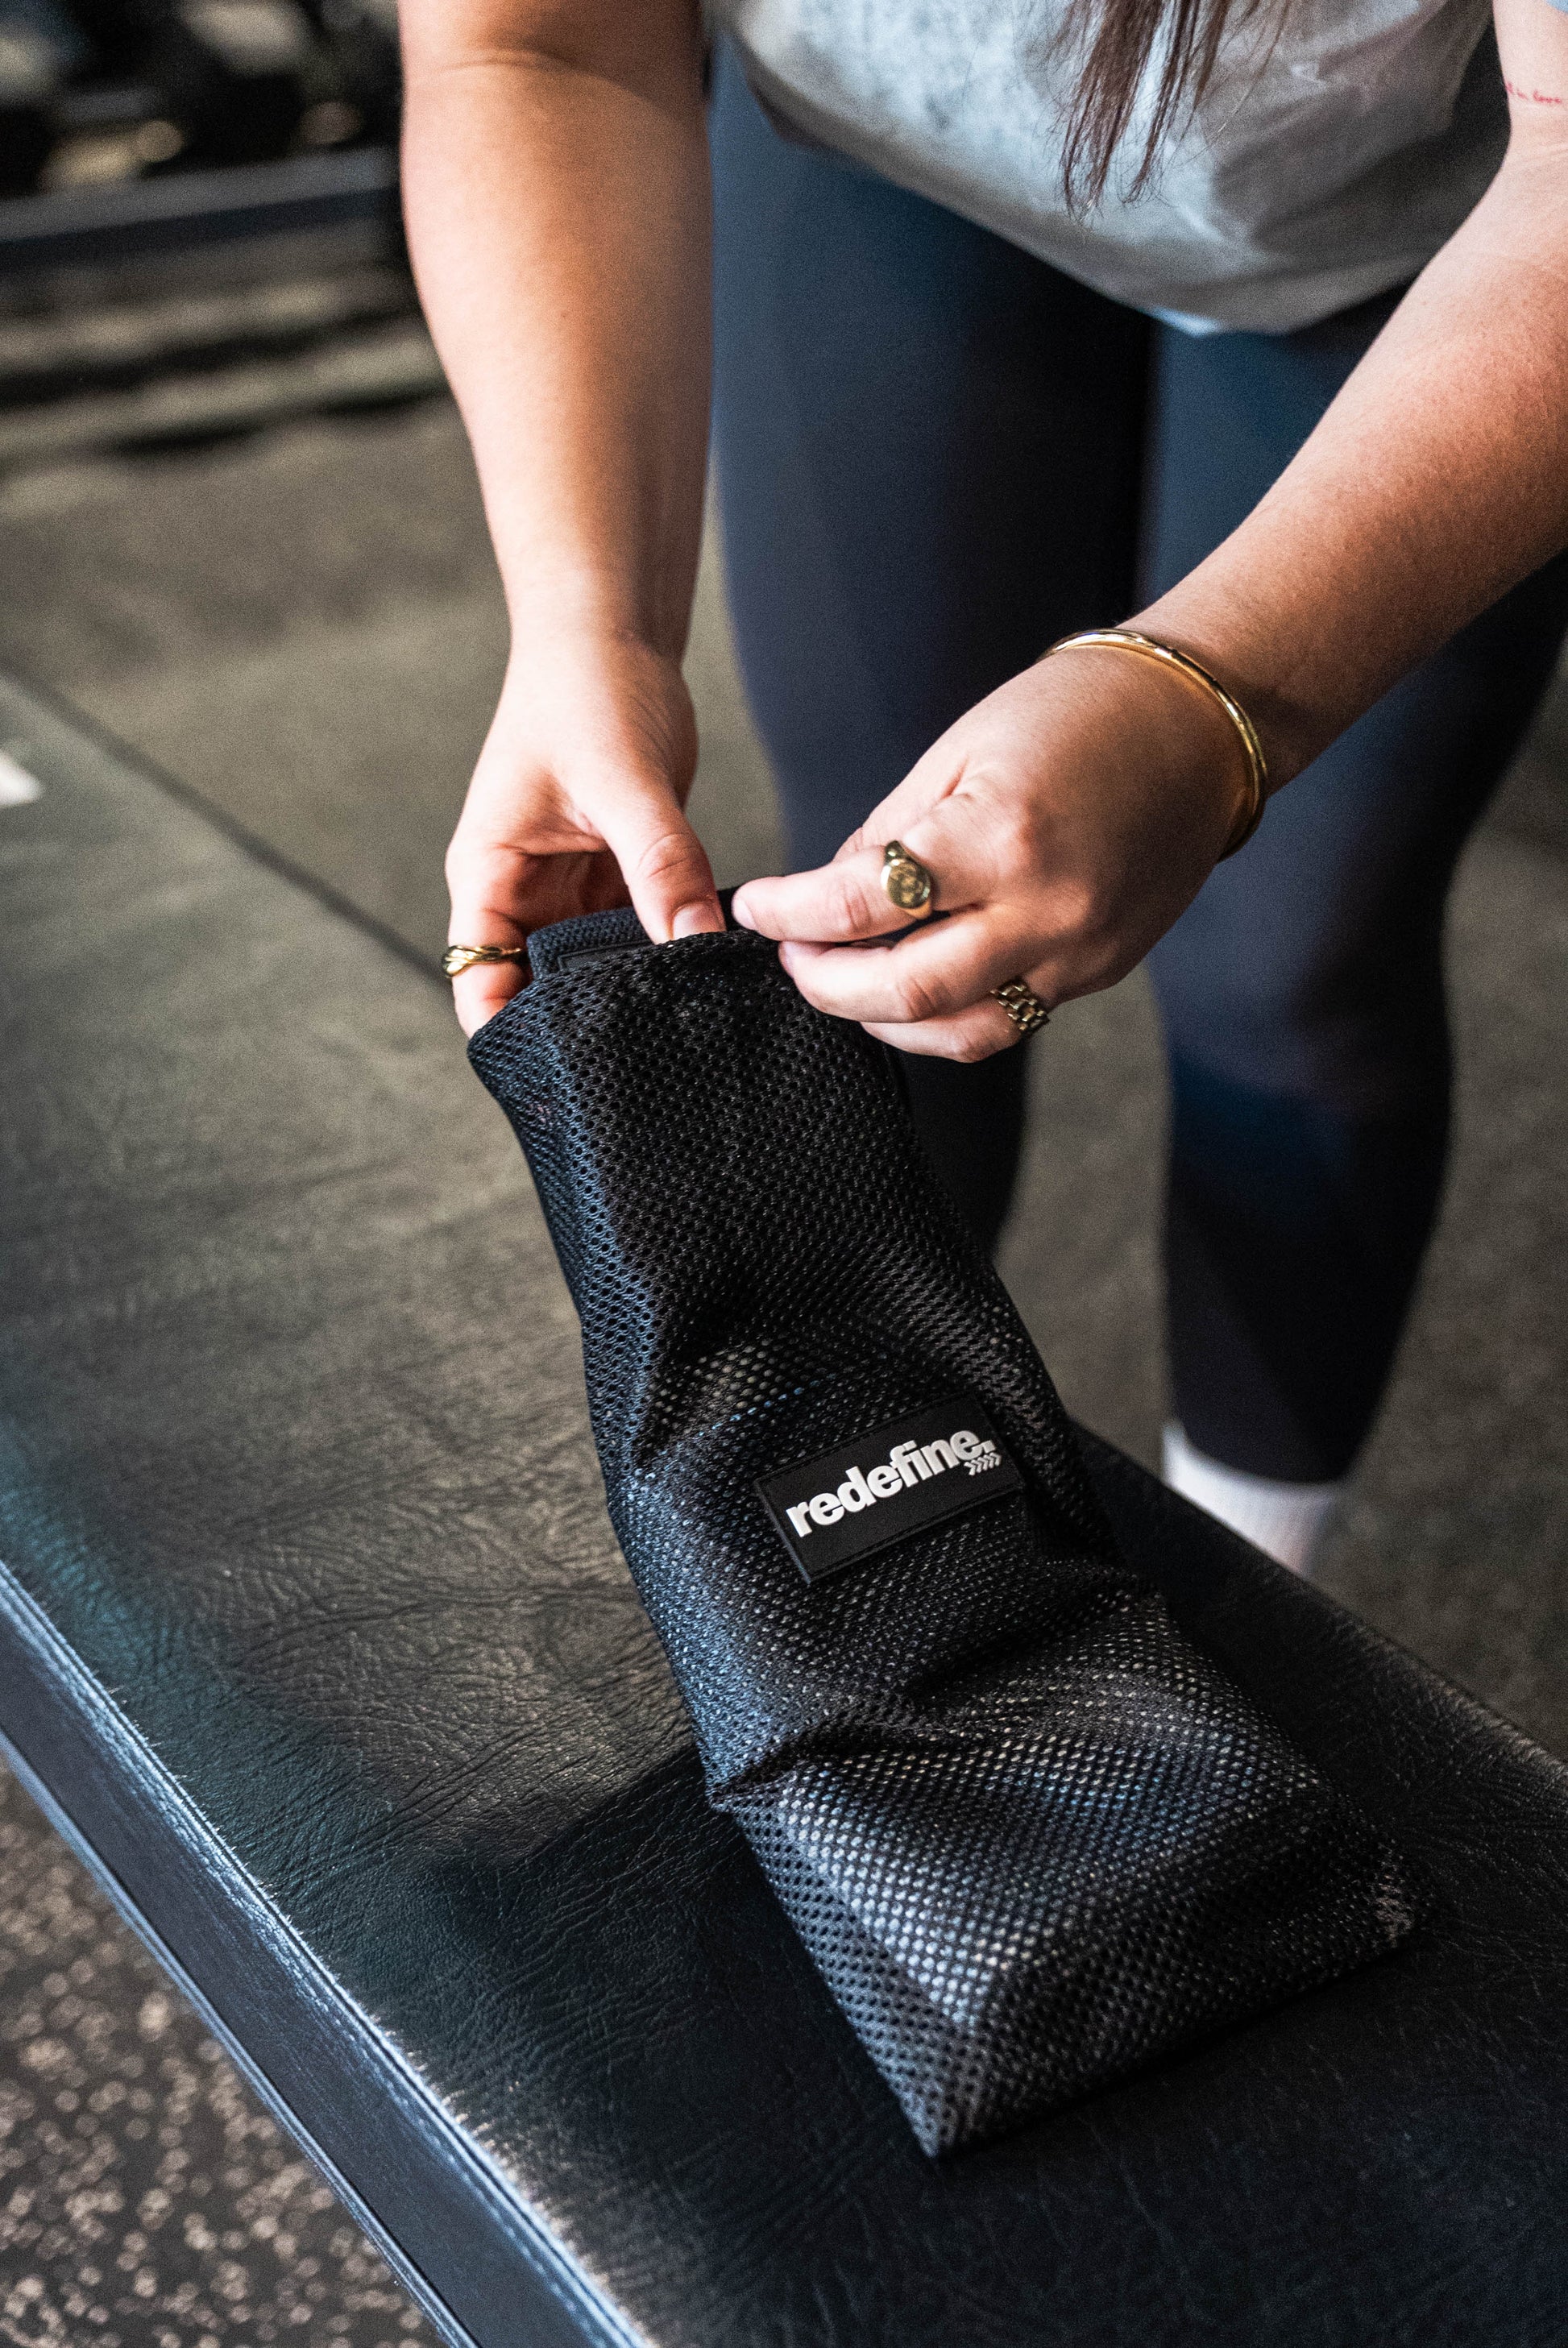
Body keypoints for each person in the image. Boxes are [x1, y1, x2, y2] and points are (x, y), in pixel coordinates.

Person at [401, 0, 1568, 1573]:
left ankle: (1256, 1591)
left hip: (1415, 224)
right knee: (877, 938)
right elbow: (534, 45)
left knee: (1284, 976)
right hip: (896, 156)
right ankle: (893, 1566)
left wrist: (1210, 704)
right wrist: (585, 624)